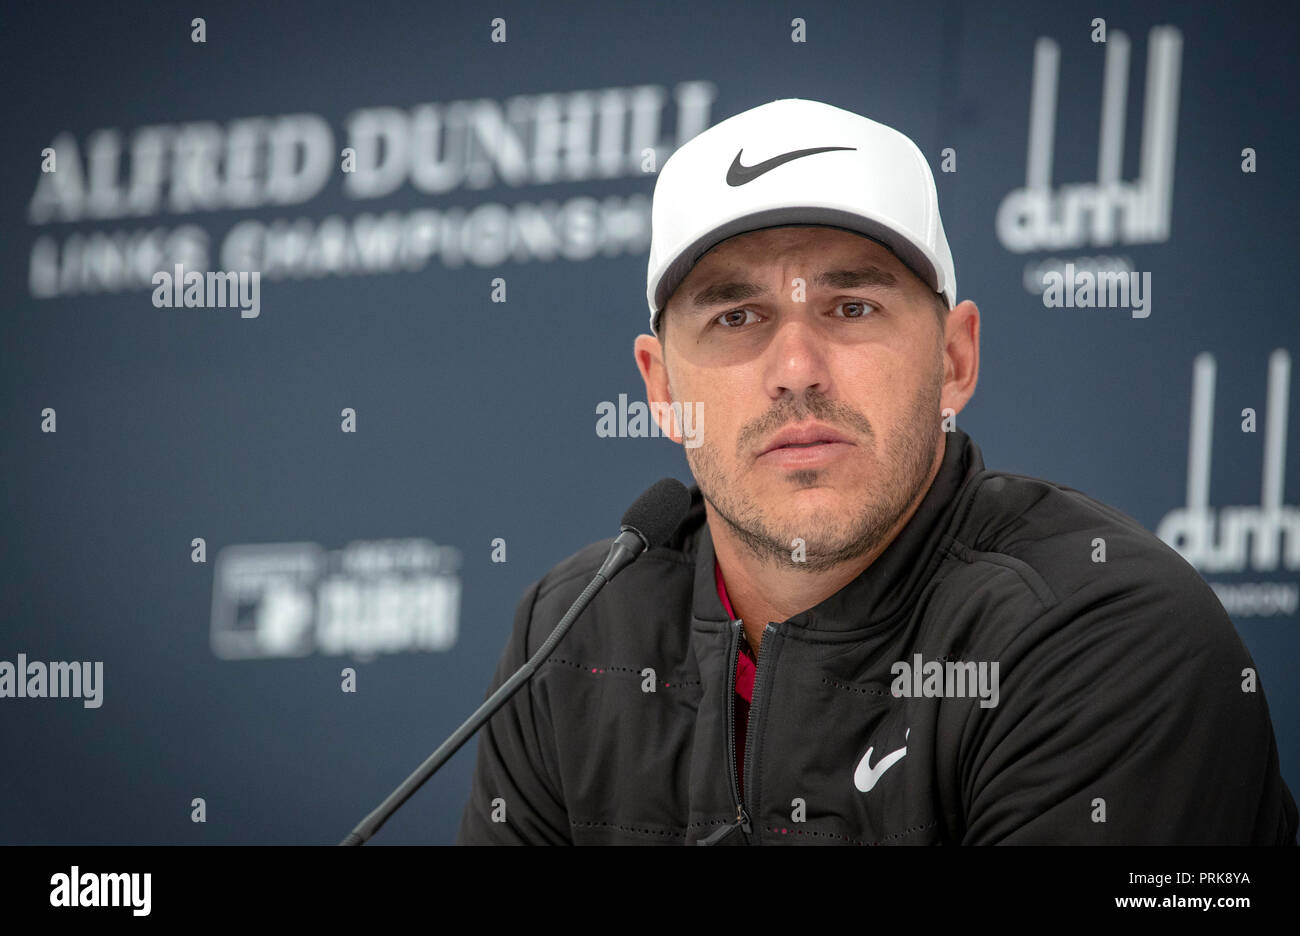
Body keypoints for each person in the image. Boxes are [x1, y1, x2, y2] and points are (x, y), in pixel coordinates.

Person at [456, 98, 1297, 844]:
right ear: (662, 387)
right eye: (737, 315)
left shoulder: (1105, 632)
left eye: (851, 306)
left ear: (955, 358)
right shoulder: (572, 641)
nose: (796, 367)